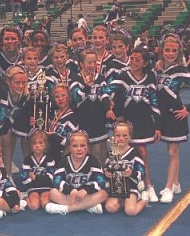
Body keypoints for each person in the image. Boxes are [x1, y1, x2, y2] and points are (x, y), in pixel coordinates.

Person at [103, 47, 161, 202]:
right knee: (121, 154)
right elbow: (106, 91)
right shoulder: (123, 76)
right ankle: (122, 185)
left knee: (142, 153)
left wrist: (158, 126)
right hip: (126, 121)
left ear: (145, 62)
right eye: (132, 59)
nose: (134, 62)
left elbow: (155, 103)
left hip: (144, 121)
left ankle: (148, 184)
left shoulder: (149, 78)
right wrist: (108, 108)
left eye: (138, 60)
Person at [157, 35, 190, 203]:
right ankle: (176, 183)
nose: (170, 53)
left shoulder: (181, 70)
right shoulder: (159, 69)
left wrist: (188, 109)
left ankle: (169, 188)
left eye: (173, 51)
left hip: (176, 115)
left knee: (172, 151)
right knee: (171, 151)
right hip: (163, 116)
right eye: (167, 50)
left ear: (178, 53)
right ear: (161, 51)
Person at [45, 131, 108, 215]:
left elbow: (101, 181)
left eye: (83, 146)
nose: (79, 149)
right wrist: (70, 190)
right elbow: (56, 180)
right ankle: (88, 206)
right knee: (53, 192)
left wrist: (86, 190)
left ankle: (67, 209)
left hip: (86, 195)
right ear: (69, 148)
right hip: (70, 195)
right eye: (75, 146)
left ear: (87, 147)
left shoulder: (92, 161)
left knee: (103, 194)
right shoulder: (64, 160)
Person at [70, 48, 108, 166]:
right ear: (81, 64)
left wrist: (108, 108)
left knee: (99, 153)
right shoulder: (76, 79)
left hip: (98, 122)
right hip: (83, 121)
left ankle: (100, 177)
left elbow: (105, 95)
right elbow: (76, 98)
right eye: (89, 62)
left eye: (95, 62)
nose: (92, 65)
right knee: (84, 153)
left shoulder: (100, 78)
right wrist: (87, 86)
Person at [104, 120, 149, 216]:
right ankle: (123, 202)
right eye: (118, 135)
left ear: (130, 136)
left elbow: (142, 173)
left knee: (130, 211)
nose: (121, 138)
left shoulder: (135, 154)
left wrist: (131, 173)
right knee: (110, 208)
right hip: (115, 188)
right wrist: (107, 173)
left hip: (130, 187)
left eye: (124, 135)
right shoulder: (111, 154)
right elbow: (106, 168)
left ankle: (144, 200)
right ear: (114, 136)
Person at [0, 141, 26, 217]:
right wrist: (11, 202)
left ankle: (5, 209)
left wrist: (15, 200)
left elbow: (9, 186)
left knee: (17, 192)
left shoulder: (2, 170)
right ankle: (12, 209)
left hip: (2, 195)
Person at [20, 130, 55, 210]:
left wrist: (35, 177)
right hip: (32, 187)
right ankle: (25, 198)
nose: (37, 146)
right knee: (34, 207)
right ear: (31, 145)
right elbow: (24, 179)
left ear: (45, 145)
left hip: (46, 187)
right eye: (34, 143)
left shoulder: (49, 159)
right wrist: (38, 180)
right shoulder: (27, 160)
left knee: (45, 204)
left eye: (40, 143)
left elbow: (51, 178)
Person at [46, 83, 79, 163]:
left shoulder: (73, 118)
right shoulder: (52, 114)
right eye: (57, 97)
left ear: (69, 97)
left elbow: (70, 142)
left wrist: (53, 135)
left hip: (63, 156)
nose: (60, 99)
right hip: (49, 153)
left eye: (63, 95)